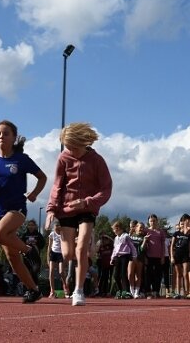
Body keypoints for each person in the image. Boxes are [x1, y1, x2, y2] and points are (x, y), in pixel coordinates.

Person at [0, 120, 48, 304]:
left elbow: (42, 177)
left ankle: (29, 250)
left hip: (17, 210)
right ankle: (33, 290)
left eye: (5, 133)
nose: (1, 136)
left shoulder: (21, 159)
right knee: (11, 257)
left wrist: (34, 193)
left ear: (13, 137)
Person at [46, 122, 113, 306]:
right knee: (67, 254)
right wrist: (51, 209)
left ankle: (79, 290)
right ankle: (81, 257)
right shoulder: (63, 158)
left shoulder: (97, 160)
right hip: (66, 210)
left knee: (81, 247)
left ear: (82, 142)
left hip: (86, 210)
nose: (70, 151)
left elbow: (106, 189)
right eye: (67, 147)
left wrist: (87, 202)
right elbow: (57, 186)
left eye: (73, 147)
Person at [110, 221, 136, 299]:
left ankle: (127, 291)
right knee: (115, 275)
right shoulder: (116, 238)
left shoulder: (126, 236)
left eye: (114, 229)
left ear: (118, 228)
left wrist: (134, 255)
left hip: (125, 256)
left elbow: (132, 247)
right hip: (118, 256)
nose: (113, 231)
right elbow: (115, 249)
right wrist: (112, 258)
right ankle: (120, 290)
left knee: (123, 274)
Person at [144, 214, 166, 299]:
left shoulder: (161, 232)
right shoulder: (146, 231)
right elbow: (144, 244)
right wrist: (145, 256)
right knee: (148, 274)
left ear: (157, 221)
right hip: (148, 256)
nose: (153, 222)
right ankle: (148, 292)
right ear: (148, 222)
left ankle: (156, 291)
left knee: (158, 275)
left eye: (154, 221)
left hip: (158, 257)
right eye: (151, 221)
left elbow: (163, 245)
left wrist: (163, 256)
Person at [47, 222, 70, 298]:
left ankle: (65, 286)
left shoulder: (63, 234)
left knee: (61, 272)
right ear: (54, 227)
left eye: (58, 226)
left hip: (61, 253)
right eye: (56, 226)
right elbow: (49, 246)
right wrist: (48, 257)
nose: (57, 227)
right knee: (51, 271)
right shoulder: (52, 234)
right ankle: (52, 291)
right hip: (53, 253)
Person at [170, 218, 190, 299]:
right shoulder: (176, 233)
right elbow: (172, 245)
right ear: (179, 225)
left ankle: (186, 292)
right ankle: (178, 292)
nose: (183, 226)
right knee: (178, 274)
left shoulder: (188, 234)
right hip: (177, 255)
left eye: (184, 224)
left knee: (185, 274)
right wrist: (172, 256)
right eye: (181, 224)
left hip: (185, 256)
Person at [95, 233, 114, 297]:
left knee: (110, 277)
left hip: (110, 264)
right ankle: (100, 291)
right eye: (103, 239)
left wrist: (108, 237)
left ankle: (108, 291)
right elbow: (96, 253)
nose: (105, 240)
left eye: (106, 239)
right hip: (103, 264)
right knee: (103, 277)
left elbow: (113, 242)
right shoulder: (100, 246)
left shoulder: (111, 245)